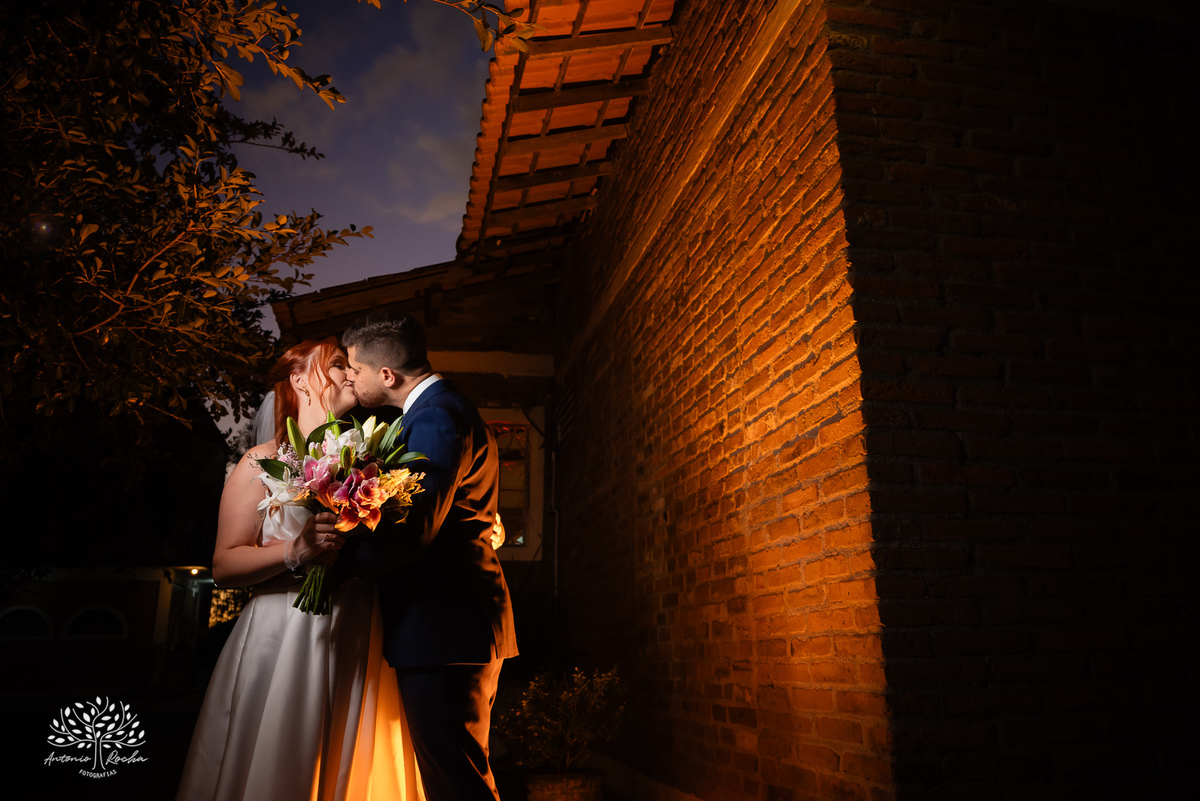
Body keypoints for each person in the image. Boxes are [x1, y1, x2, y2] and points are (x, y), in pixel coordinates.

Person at [176, 338, 423, 801]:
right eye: (337, 364)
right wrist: (296, 549)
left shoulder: (366, 462)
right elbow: (225, 564)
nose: (350, 372)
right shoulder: (259, 462)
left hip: (357, 626)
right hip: (286, 630)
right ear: (300, 380)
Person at [333, 313, 518, 801]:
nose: (350, 377)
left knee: (456, 783)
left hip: (445, 624)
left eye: (355, 369)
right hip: (452, 625)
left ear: (387, 375)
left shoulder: (436, 416)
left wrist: (330, 564)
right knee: (454, 777)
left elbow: (415, 531)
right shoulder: (445, 409)